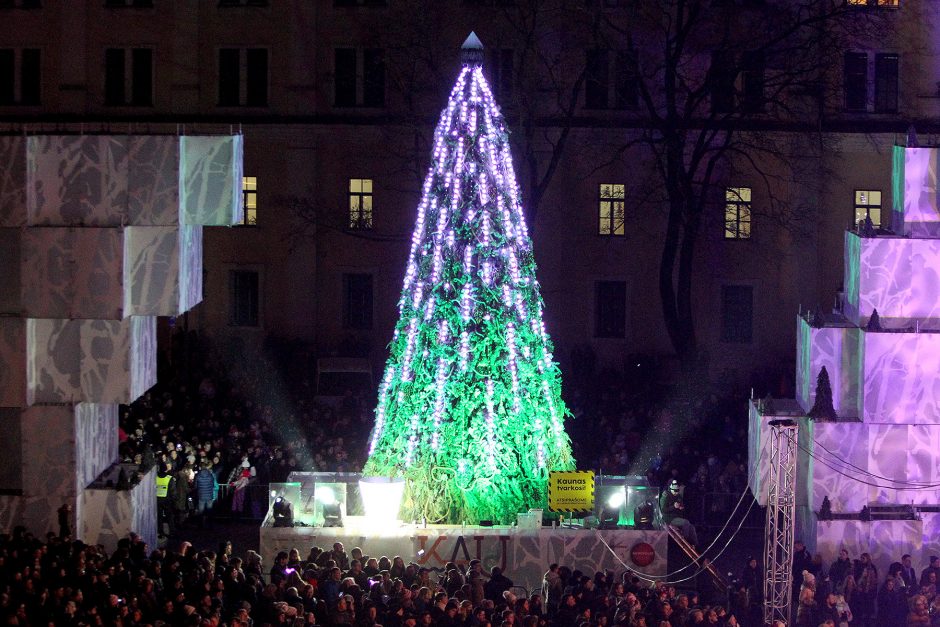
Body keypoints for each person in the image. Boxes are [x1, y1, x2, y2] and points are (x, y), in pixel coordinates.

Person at [659, 479, 697, 546]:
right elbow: (663, 510)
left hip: (677, 516)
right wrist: (673, 507)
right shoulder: (666, 496)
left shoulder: (679, 496)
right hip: (669, 518)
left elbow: (682, 506)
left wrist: (681, 508)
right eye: (675, 490)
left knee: (692, 527)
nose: (676, 492)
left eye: (677, 490)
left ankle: (695, 544)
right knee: (686, 523)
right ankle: (685, 542)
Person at [194, 462, 218, 528]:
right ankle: (210, 525)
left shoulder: (198, 475)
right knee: (209, 511)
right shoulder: (210, 475)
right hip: (209, 496)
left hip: (201, 496)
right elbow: (213, 485)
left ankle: (200, 525)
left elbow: (195, 486)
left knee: (200, 511)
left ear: (200, 468)